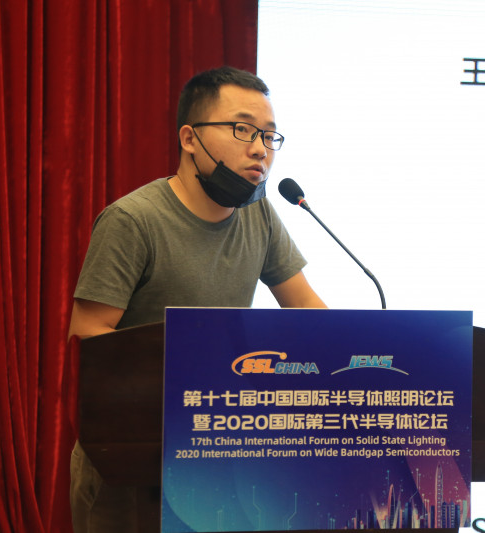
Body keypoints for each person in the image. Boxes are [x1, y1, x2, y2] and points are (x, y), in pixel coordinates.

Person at [68, 66, 326, 532]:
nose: (260, 149)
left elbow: (308, 311)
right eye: (242, 129)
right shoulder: (133, 220)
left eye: (269, 136)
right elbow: (88, 333)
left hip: (214, 455)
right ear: (189, 138)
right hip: (131, 457)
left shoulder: (260, 217)